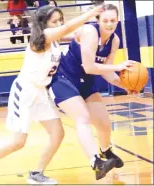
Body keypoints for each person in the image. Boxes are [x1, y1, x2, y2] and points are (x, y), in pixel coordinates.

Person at [0, 5, 110, 185]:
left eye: (61, 20)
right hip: (25, 92)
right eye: (55, 21)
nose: (60, 24)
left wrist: (92, 31)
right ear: (44, 23)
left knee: (57, 133)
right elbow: (68, 29)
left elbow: (76, 34)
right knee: (18, 142)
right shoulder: (41, 38)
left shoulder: (55, 40)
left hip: (42, 93)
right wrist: (89, 14)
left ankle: (37, 173)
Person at [49, 3, 136, 176]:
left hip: (86, 82)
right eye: (105, 20)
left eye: (113, 20)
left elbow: (108, 73)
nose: (109, 24)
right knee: (83, 117)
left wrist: (126, 85)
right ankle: (95, 162)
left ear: (118, 21)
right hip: (65, 79)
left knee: (104, 123)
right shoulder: (90, 32)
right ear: (98, 20)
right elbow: (89, 67)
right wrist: (119, 66)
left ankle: (105, 150)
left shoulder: (114, 40)